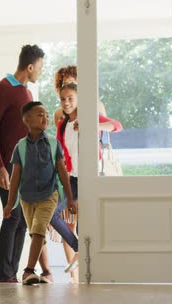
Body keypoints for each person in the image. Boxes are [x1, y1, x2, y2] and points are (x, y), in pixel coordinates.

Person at [54, 65, 123, 283]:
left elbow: (116, 126)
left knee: (89, 223)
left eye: (71, 97)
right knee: (51, 214)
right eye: (63, 97)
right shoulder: (61, 122)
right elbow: (61, 155)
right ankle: (78, 249)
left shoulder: (91, 112)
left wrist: (92, 124)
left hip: (91, 177)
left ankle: (90, 275)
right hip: (72, 179)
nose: (66, 102)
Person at [0, 45, 44, 283]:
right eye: (39, 67)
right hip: (8, 166)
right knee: (13, 217)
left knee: (22, 221)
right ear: (29, 67)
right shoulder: (3, 89)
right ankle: (5, 275)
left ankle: (12, 274)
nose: (40, 72)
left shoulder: (27, 94)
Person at [3, 101, 76, 285]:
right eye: (39, 114)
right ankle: (47, 272)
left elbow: (62, 172)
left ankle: (28, 271)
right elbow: (15, 178)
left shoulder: (53, 143)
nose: (45, 117)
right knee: (37, 235)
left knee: (39, 229)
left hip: (49, 195)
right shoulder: (20, 147)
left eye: (46, 114)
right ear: (26, 120)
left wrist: (69, 200)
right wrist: (10, 203)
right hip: (27, 198)